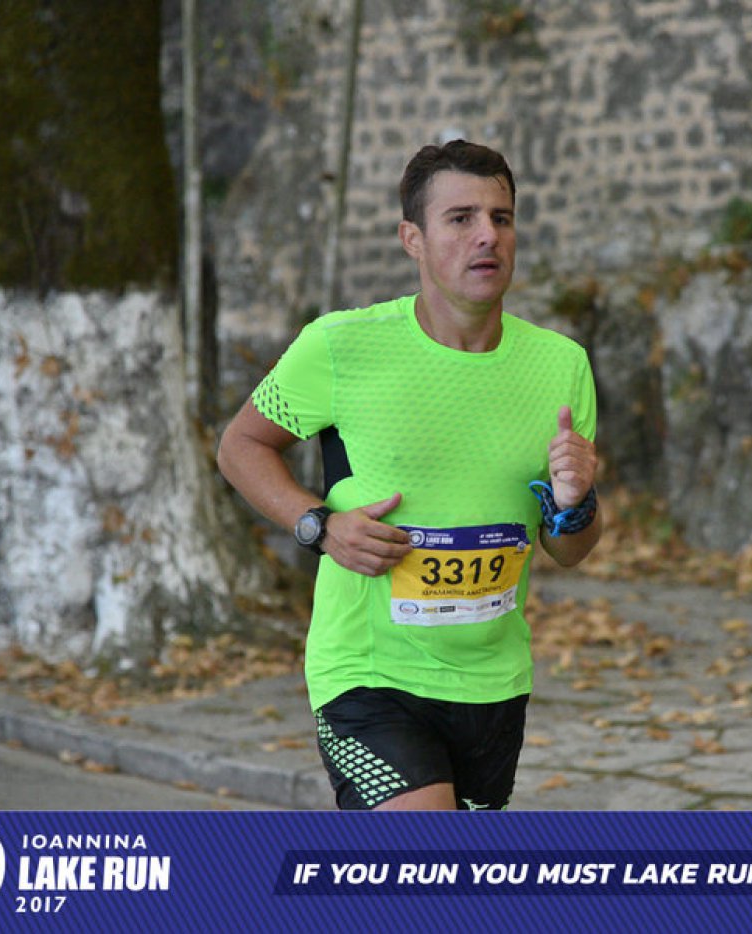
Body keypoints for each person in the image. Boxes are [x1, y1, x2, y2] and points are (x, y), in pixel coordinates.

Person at [216, 140, 602, 810]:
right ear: (412, 239)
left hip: (492, 682)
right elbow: (240, 446)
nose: (487, 235)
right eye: (461, 218)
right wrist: (319, 526)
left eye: (501, 218)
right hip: (369, 673)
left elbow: (568, 550)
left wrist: (576, 503)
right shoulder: (341, 345)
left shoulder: (561, 366)